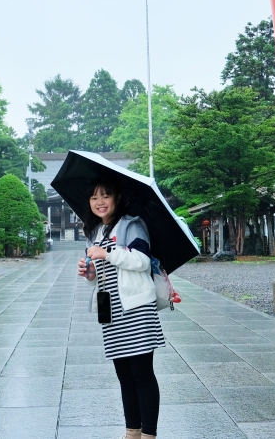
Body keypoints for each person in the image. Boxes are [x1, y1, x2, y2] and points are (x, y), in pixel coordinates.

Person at [77, 178, 164, 439]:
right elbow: (101, 272)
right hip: (110, 309)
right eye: (94, 198)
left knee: (142, 373)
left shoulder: (131, 224)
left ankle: (148, 434)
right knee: (124, 375)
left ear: (117, 198)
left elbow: (141, 261)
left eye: (105, 196)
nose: (99, 202)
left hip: (136, 308)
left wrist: (107, 254)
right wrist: (89, 272)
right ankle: (132, 432)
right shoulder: (95, 233)